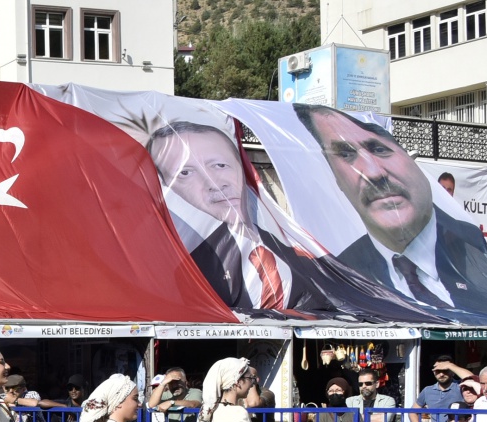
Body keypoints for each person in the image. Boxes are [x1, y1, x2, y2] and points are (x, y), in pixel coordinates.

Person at [296, 104, 487, 322]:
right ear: (334, 177)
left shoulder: (470, 245)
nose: (373, 173)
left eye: (379, 149)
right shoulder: (341, 273)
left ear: (412, 159)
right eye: (346, 155)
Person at [145, 121, 395, 317]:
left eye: (220, 166)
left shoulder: (302, 249)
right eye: (185, 173)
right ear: (168, 188)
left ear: (242, 169)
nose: (213, 184)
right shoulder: (186, 270)